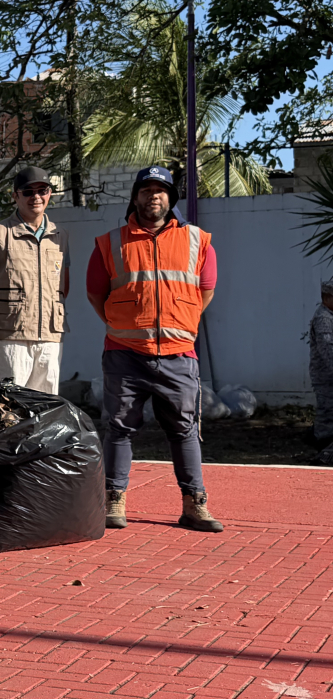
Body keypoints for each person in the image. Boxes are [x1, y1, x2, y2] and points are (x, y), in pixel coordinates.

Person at [86, 165, 223, 533]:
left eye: (160, 190)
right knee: (118, 428)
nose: (153, 196)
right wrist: (124, 325)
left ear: (170, 198)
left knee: (185, 430)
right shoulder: (110, 242)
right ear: (135, 197)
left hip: (179, 355)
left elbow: (204, 292)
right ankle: (113, 500)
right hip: (124, 354)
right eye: (145, 190)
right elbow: (96, 294)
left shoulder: (198, 241)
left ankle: (194, 504)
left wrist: (180, 323)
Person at [0, 166, 70, 393]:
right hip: (10, 336)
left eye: (42, 190)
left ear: (50, 194)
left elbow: (64, 286)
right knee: (8, 409)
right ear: (15, 196)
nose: (36, 197)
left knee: (45, 409)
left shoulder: (60, 236)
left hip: (50, 336)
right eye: (28, 192)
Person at [310, 280, 333, 448]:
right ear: (327, 298)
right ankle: (323, 444)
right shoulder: (323, 318)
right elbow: (327, 349)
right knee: (327, 410)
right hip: (326, 374)